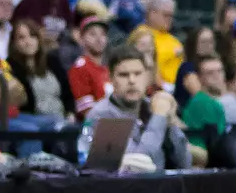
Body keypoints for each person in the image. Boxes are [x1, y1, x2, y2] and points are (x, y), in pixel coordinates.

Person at [78, 42, 190, 172]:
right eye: (123, 75)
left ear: (146, 77)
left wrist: (170, 123)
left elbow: (185, 163)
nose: (132, 80)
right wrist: (159, 118)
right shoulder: (103, 114)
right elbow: (138, 166)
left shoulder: (152, 107)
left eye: (137, 74)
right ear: (111, 79)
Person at [8, 18, 70, 132]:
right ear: (14, 43)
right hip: (33, 123)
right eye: (21, 38)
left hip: (62, 119)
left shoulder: (52, 61)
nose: (28, 42)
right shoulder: (10, 67)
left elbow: (67, 93)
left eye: (32, 36)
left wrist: (71, 113)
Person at [67, 12, 113, 119]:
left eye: (103, 34)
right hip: (95, 124)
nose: (99, 38)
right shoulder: (80, 68)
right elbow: (87, 112)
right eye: (92, 34)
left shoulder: (108, 68)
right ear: (81, 39)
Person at [179, 53, 229, 150]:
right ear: (199, 77)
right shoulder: (202, 102)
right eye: (210, 73)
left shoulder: (212, 101)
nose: (216, 76)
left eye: (220, 71)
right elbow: (216, 142)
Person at [139, 0, 185, 88]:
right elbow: (148, 67)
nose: (170, 19)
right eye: (166, 15)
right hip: (159, 89)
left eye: (171, 16)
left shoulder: (172, 39)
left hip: (180, 86)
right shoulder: (142, 36)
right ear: (152, 14)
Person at [173, 26, 218, 110]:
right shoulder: (187, 67)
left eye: (211, 41)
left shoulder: (216, 65)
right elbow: (199, 95)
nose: (208, 45)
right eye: (203, 42)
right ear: (194, 44)